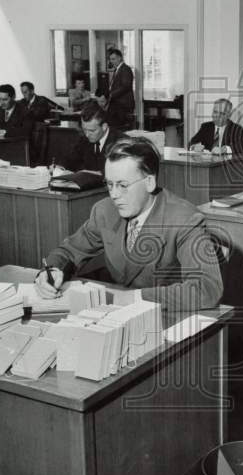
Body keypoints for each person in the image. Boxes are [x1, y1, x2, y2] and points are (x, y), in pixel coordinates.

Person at [35, 137, 223, 312]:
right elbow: (69, 251)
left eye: (123, 185)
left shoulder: (185, 219)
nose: (114, 195)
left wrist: (134, 298)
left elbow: (206, 288)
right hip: (114, 314)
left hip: (166, 316)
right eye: (109, 184)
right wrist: (51, 270)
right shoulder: (104, 211)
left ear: (149, 182)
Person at [54, 100, 124, 174]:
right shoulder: (85, 139)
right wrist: (60, 168)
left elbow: (122, 171)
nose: (87, 135)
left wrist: (98, 174)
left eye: (92, 131)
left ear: (104, 127)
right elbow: (70, 159)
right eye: (84, 129)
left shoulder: (120, 142)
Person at [101, 48, 135, 130]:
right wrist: (105, 95)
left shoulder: (125, 69)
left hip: (123, 105)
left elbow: (125, 86)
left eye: (113, 59)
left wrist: (111, 95)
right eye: (110, 59)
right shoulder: (117, 69)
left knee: (117, 128)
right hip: (116, 104)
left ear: (120, 58)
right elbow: (113, 86)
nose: (111, 61)